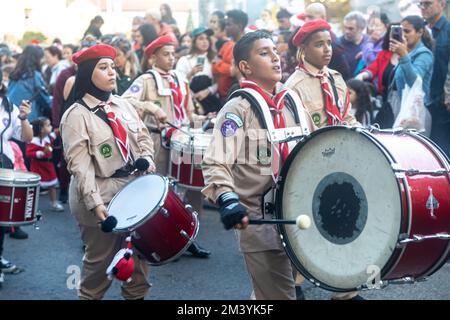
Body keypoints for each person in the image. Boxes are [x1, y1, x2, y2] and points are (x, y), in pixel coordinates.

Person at [202, 30, 315, 300]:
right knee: (281, 295)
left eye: (275, 51)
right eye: (264, 53)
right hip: (259, 221)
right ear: (245, 67)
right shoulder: (237, 109)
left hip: (296, 215)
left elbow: (313, 149)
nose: (276, 57)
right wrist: (228, 199)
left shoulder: (292, 101)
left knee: (270, 292)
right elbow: (216, 160)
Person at [60, 44, 155, 300]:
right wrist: (95, 203)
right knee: (98, 269)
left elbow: (144, 138)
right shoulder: (75, 115)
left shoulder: (123, 105)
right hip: (99, 194)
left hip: (133, 191)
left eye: (113, 67)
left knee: (139, 265)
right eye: (103, 67)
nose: (112, 72)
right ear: (88, 73)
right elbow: (80, 167)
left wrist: (146, 159)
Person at [284, 20, 362, 300]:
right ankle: (291, 285)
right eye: (319, 44)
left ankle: (345, 290)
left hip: (341, 163)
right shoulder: (293, 86)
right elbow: (296, 132)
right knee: (305, 227)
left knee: (344, 223)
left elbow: (345, 116)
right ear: (303, 50)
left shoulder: (336, 79)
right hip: (311, 164)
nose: (327, 49)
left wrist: (357, 132)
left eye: (329, 43)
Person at [122, 36, 211, 258]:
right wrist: (150, 107)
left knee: (194, 190)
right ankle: (158, 239)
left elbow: (189, 115)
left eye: (173, 54)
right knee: (157, 191)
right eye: (166, 54)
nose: (171, 58)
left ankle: (188, 236)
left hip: (183, 140)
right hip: (156, 142)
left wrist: (207, 119)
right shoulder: (145, 80)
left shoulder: (181, 80)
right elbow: (124, 101)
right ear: (153, 57)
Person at [0, 69, 32, 279]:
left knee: (1, 219)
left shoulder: (8, 107)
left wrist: (23, 118)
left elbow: (26, 137)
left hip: (4, 165)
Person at [389, 15, 433, 130]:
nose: (403, 34)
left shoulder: (424, 54)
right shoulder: (407, 51)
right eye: (401, 30)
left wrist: (403, 56)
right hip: (400, 107)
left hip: (415, 112)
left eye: (407, 31)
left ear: (420, 32)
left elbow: (414, 82)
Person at [419, 0, 450, 158]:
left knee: (443, 154)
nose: (424, 8)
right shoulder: (419, 31)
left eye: (428, 3)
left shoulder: (448, 30)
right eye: (421, 4)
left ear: (442, 4)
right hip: (423, 101)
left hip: (443, 103)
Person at [176, 27, 221, 114]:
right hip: (191, 104)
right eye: (201, 38)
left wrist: (208, 91)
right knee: (196, 126)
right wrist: (191, 74)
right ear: (194, 41)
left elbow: (219, 82)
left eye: (207, 38)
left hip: (211, 102)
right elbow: (178, 83)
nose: (205, 41)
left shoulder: (214, 60)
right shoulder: (184, 60)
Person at [303, 3, 351, 80]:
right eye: (305, 17)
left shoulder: (334, 42)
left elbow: (343, 74)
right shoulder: (306, 38)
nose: (306, 20)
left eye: (310, 17)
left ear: (323, 17)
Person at [26, 117, 64, 212]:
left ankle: (54, 202)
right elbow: (28, 153)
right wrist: (39, 154)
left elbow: (55, 133)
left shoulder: (49, 138)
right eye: (48, 125)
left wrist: (61, 128)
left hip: (48, 166)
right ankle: (30, 205)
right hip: (37, 167)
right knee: (34, 187)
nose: (50, 127)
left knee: (52, 185)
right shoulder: (33, 141)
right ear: (41, 129)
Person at [8, 45, 52, 122]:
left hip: (10, 116)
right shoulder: (34, 76)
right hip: (27, 119)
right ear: (37, 59)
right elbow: (45, 100)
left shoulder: (14, 74)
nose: (44, 60)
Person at [213, 10, 248, 103]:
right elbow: (214, 65)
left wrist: (220, 65)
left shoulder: (248, 45)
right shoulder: (226, 45)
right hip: (222, 95)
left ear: (239, 26)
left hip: (238, 94)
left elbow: (236, 71)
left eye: (229, 25)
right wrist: (229, 68)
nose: (226, 28)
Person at [337, 11, 368, 76]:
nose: (347, 31)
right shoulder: (337, 44)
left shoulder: (370, 43)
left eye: (351, 29)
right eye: (345, 27)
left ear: (361, 28)